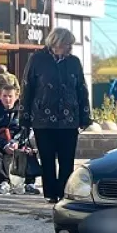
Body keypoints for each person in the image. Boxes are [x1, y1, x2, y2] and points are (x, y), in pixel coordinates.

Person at [21, 26, 92, 203]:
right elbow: (26, 88)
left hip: (69, 120)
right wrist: (24, 117)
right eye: (67, 44)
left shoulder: (74, 62)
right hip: (42, 120)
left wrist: (85, 116)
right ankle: (51, 194)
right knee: (47, 159)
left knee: (67, 160)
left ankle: (64, 193)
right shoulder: (37, 59)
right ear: (56, 42)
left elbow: (81, 89)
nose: (70, 48)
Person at [0, 80, 40, 195]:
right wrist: (4, 144)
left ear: (16, 97)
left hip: (19, 140)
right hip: (0, 141)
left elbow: (28, 130)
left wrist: (16, 142)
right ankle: (3, 181)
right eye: (4, 96)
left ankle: (30, 183)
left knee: (30, 147)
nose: (7, 99)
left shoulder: (23, 111)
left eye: (10, 96)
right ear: (0, 96)